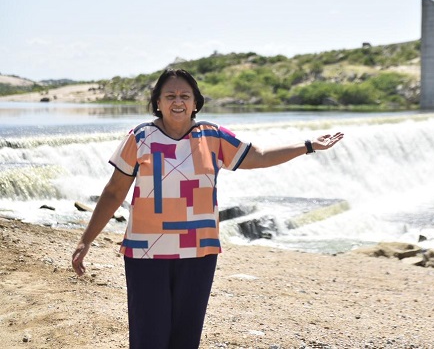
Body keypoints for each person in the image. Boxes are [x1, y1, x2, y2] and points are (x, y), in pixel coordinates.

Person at [71, 68, 344, 349]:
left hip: (199, 252)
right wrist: (85, 240)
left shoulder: (213, 136)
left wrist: (308, 145)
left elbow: (260, 156)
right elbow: (114, 192)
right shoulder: (140, 137)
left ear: (195, 102)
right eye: (170, 96)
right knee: (149, 337)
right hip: (147, 252)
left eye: (185, 96)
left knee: (185, 339)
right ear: (158, 102)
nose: (178, 101)